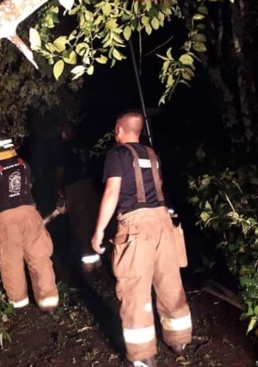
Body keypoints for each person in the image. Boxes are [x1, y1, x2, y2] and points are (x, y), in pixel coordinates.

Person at [91, 111, 192, 367]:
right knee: (169, 282)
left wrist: (99, 230)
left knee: (135, 291)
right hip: (163, 223)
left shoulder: (118, 154)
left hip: (136, 226)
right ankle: (179, 339)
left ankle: (144, 355)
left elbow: (113, 191)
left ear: (118, 130)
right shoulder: (152, 154)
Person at [0, 131, 59, 313]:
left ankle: (19, 303)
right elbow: (28, 186)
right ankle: (49, 302)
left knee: (10, 262)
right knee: (39, 258)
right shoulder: (23, 165)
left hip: (6, 220)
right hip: (30, 213)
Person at [56, 122, 102, 272]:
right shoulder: (80, 145)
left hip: (74, 187)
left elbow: (60, 171)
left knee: (80, 223)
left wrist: (58, 188)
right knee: (91, 219)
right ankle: (97, 255)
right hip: (87, 184)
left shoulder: (64, 148)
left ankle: (89, 261)